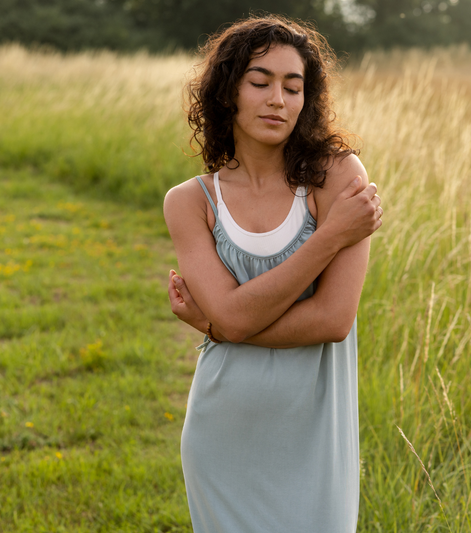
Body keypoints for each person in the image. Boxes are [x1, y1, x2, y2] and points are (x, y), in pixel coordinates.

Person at [163, 15, 383, 533]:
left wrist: (221, 324)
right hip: (223, 436)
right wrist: (331, 237)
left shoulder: (337, 177)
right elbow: (233, 321)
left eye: (293, 86)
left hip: (316, 437)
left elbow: (333, 320)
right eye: (260, 82)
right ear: (227, 94)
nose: (277, 99)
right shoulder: (190, 202)